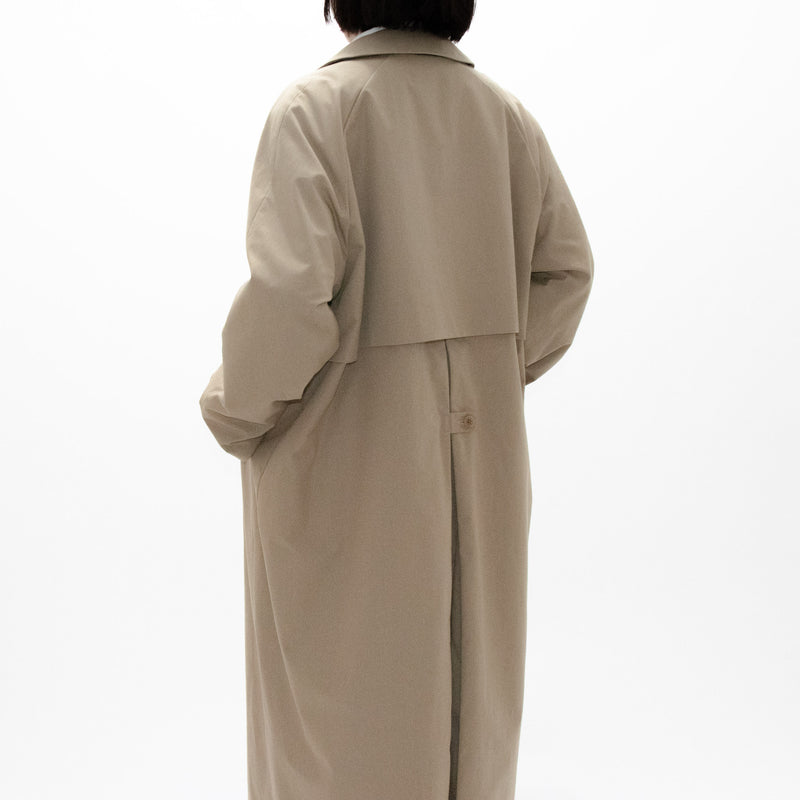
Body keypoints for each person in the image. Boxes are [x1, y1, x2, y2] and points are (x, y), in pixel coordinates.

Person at [198, 2, 594, 798]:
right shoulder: (505, 118)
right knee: (470, 710)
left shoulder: (317, 110)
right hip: (483, 456)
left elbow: (288, 295)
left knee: (342, 717)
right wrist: (490, 365)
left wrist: (234, 409)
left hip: (346, 453)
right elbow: (565, 272)